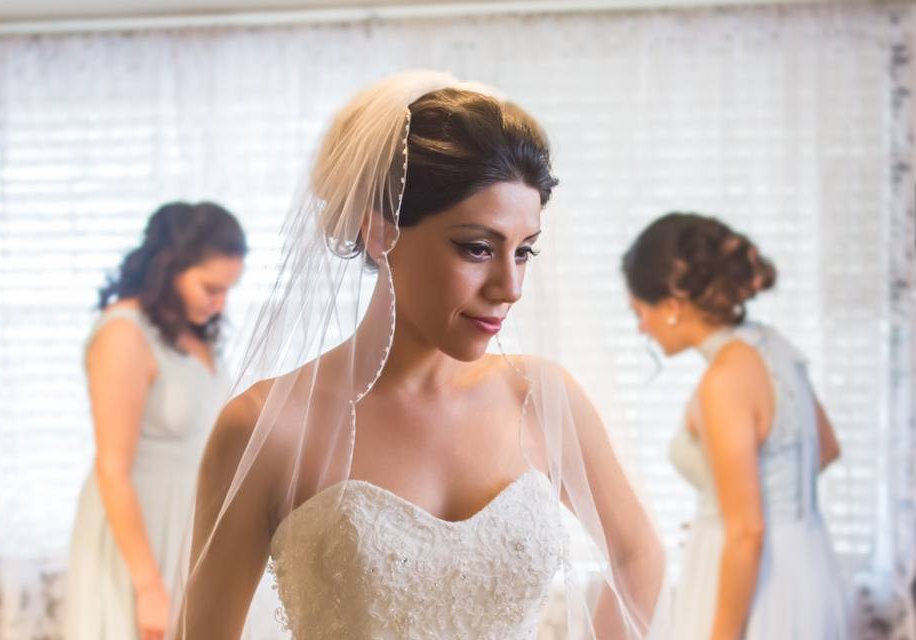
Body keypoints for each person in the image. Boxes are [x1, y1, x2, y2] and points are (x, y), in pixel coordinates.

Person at [173, 71, 666, 640]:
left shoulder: (539, 397)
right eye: (477, 248)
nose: (510, 286)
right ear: (381, 233)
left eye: (524, 251)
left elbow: (638, 557)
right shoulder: (266, 426)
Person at [622, 212, 848, 639]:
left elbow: (747, 531)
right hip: (807, 567)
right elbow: (826, 447)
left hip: (755, 582)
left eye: (640, 311)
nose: (641, 328)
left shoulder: (725, 378)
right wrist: (738, 504)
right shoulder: (773, 346)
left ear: (671, 305)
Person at [66, 201, 246, 640]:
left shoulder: (195, 332)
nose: (220, 306)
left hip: (190, 525)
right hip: (140, 533)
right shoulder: (124, 334)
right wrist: (147, 586)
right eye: (210, 288)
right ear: (170, 268)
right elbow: (112, 469)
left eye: (228, 291)